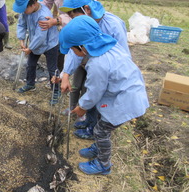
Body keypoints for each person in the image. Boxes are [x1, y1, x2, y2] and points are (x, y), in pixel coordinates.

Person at [59, 15, 149, 175]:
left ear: (82, 46)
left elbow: (94, 92)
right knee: (101, 123)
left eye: (73, 49)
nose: (73, 52)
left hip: (125, 101)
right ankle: (98, 147)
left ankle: (103, 165)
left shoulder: (97, 64)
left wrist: (82, 107)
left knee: (101, 131)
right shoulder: (110, 46)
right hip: (125, 93)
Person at [58, 0, 131, 140]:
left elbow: (123, 55)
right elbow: (74, 51)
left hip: (105, 72)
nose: (71, 19)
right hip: (86, 64)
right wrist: (65, 74)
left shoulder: (113, 25)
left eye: (72, 14)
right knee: (81, 88)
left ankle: (93, 127)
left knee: (93, 95)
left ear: (86, 9)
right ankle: (86, 120)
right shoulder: (80, 26)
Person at [38, 0, 94, 72]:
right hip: (64, 28)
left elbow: (85, 15)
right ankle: (59, 77)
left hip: (81, 29)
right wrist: (40, 14)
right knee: (59, 50)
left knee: (82, 58)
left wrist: (58, 20)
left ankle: (77, 76)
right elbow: (46, 0)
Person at [13, 0, 60, 105]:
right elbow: (21, 24)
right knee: (30, 64)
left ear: (33, 4)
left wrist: (30, 48)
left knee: (52, 69)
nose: (23, 11)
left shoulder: (43, 15)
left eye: (24, 8)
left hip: (50, 44)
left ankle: (56, 91)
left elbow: (41, 36)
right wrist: (21, 39)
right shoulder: (26, 12)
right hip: (35, 42)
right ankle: (30, 84)